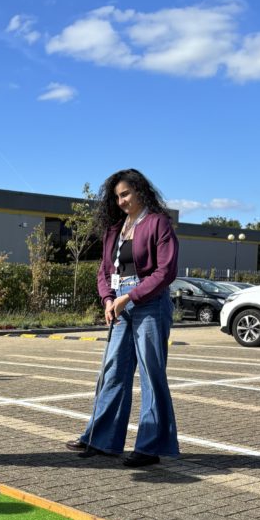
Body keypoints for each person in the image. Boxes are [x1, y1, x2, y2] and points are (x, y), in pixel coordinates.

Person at [65, 168, 179, 467]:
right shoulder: (115, 229)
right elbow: (104, 271)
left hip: (149, 303)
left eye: (125, 194)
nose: (121, 201)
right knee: (113, 371)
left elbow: (165, 272)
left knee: (152, 374)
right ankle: (102, 440)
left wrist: (131, 296)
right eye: (117, 197)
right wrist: (107, 299)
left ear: (140, 191)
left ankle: (150, 447)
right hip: (119, 303)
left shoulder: (158, 223)